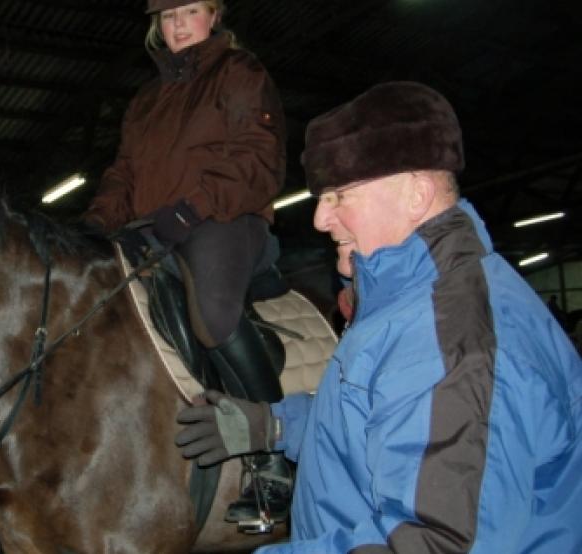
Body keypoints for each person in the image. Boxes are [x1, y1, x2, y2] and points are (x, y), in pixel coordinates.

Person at [175, 81, 582, 552]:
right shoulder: (411, 303)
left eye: (340, 195)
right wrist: (274, 425)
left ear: (417, 194)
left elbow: (436, 543)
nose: (319, 220)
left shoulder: (447, 338)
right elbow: (377, 425)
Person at [83, 0, 289, 527]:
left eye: (189, 11)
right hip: (155, 228)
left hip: (226, 219)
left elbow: (257, 156)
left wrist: (192, 208)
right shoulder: (146, 99)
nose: (178, 24)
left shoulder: (240, 72)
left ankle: (274, 461)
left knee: (214, 314)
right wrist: (94, 226)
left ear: (214, 15)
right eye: (168, 16)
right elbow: (123, 173)